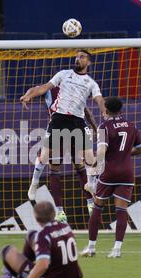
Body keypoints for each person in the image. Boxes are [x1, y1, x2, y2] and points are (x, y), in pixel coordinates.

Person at [21, 50, 106, 223]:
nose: (77, 59)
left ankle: (91, 197)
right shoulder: (61, 76)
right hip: (59, 120)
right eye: (76, 56)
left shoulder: (89, 83)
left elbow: (93, 104)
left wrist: (101, 116)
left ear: (88, 62)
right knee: (48, 160)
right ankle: (39, 188)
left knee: (86, 160)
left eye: (82, 57)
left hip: (77, 123)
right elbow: (40, 88)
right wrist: (28, 95)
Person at [81, 97, 141, 258]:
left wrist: (96, 165)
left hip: (109, 172)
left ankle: (91, 248)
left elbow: (102, 151)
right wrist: (122, 154)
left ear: (106, 111)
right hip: (127, 172)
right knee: (121, 210)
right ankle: (117, 250)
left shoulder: (104, 126)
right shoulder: (132, 125)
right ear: (121, 111)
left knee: (97, 207)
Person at [28, 86, 98, 215]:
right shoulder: (51, 89)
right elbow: (35, 89)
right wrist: (27, 97)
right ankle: (59, 211)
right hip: (58, 128)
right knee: (54, 167)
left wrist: (94, 126)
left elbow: (85, 110)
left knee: (82, 164)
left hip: (76, 128)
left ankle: (90, 203)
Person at [0, 201, 83, 278]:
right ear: (54, 214)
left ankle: (17, 277)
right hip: (73, 277)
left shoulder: (43, 235)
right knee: (31, 235)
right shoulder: (65, 226)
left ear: (36, 218)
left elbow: (43, 265)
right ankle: (18, 275)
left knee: (6, 251)